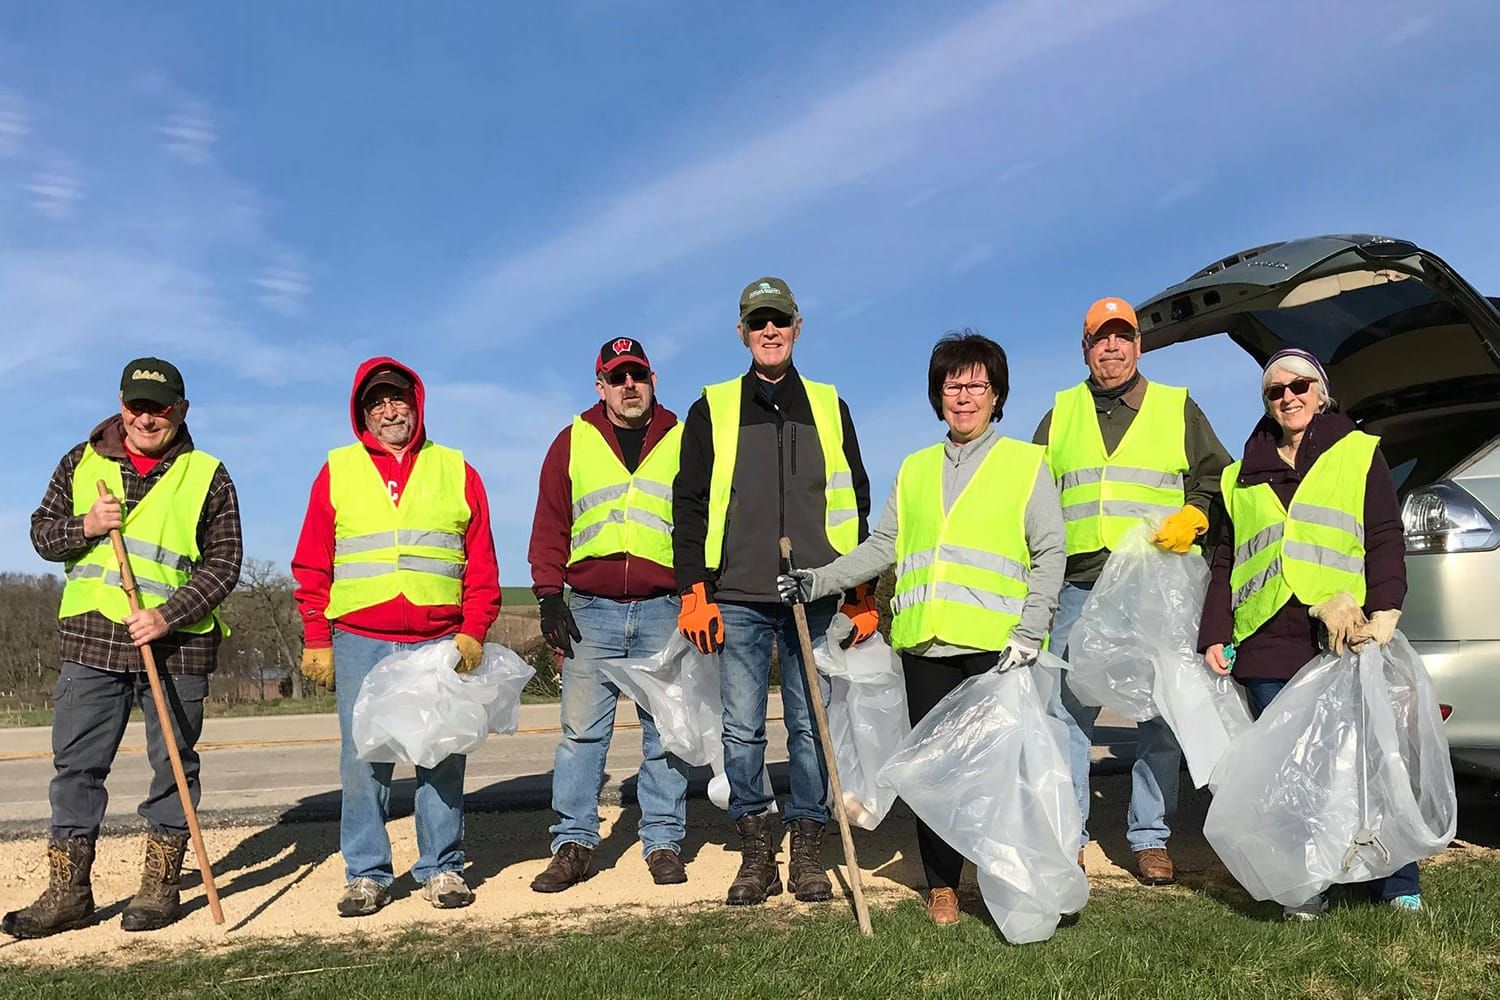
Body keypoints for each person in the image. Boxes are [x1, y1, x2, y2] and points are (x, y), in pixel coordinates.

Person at [779, 331, 1065, 925]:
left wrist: (1031, 630)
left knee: (997, 775)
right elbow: (883, 545)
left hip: (995, 650)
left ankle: (1007, 876)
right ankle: (943, 884)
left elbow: (1050, 550)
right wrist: (818, 581)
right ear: (938, 396)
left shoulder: (1024, 463)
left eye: (976, 384)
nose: (964, 395)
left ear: (996, 395)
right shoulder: (913, 471)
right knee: (935, 776)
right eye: (952, 384)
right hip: (925, 646)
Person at [4, 358, 243, 939]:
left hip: (176, 646)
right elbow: (41, 534)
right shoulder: (80, 462)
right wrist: (85, 525)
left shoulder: (208, 475)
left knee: (174, 770)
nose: (146, 417)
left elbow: (225, 564)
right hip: (91, 641)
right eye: (137, 405)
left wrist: (168, 614)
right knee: (77, 769)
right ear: (120, 405)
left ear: (180, 412)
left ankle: (160, 888)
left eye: (159, 408)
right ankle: (69, 894)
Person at [672, 276, 874, 906]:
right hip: (735, 592)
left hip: (811, 592)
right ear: (741, 332)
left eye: (779, 320)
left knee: (813, 723)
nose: (769, 330)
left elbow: (855, 499)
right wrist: (692, 590)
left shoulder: (828, 404)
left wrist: (859, 590)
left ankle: (808, 836)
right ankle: (756, 840)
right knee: (742, 728)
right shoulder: (713, 407)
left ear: (797, 327)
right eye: (758, 321)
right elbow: (690, 502)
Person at [1199, 347, 1419, 918]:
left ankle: (1395, 881)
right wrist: (1214, 631)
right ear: (1267, 404)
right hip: (1268, 635)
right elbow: (1225, 559)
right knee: (1289, 773)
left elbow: (1383, 535)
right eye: (1276, 390)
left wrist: (1387, 606)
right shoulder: (1236, 476)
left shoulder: (1356, 452)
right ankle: (1306, 882)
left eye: (1300, 385)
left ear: (1321, 392)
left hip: (1343, 634)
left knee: (1368, 759)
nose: (1289, 396)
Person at [292, 357, 501, 917]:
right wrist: (317, 635)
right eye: (376, 402)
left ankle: (443, 868)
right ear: (362, 413)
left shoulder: (457, 469)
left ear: (417, 404)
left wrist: (473, 630)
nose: (389, 410)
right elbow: (313, 563)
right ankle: (367, 873)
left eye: (397, 399)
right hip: (360, 637)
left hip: (439, 641)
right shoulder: (337, 469)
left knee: (441, 754)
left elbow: (480, 563)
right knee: (364, 761)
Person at [1034, 296, 1230, 885]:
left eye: (1122, 337)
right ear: (1086, 349)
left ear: (1138, 345)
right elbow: (1032, 493)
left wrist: (1196, 515)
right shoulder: (1061, 411)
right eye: (1100, 339)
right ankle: (1070, 833)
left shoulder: (1177, 406)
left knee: (1160, 712)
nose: (1112, 348)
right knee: (1067, 712)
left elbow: (1216, 475)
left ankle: (1150, 838)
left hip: (1154, 581)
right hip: (1078, 582)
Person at [527, 337, 691, 892]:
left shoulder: (683, 437)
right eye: (617, 378)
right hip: (590, 612)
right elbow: (551, 522)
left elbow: (704, 521)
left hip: (664, 608)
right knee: (580, 736)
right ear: (600, 386)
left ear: (652, 380)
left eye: (637, 376)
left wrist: (700, 592)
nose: (629, 386)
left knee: (664, 731)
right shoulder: (571, 441)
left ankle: (663, 841)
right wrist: (549, 595)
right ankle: (573, 843)